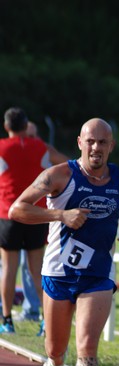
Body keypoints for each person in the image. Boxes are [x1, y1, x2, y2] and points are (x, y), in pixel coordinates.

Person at [9, 117, 119, 366]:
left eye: (103, 142)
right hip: (58, 274)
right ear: (80, 142)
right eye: (91, 142)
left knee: (87, 347)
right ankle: (53, 361)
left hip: (97, 276)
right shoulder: (59, 176)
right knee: (56, 347)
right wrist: (60, 216)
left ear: (112, 146)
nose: (96, 148)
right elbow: (17, 209)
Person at [0, 107, 50, 334]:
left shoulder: (2, 148)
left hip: (8, 214)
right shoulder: (40, 146)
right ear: (26, 125)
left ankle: (7, 320)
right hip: (35, 214)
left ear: (6, 126)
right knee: (37, 270)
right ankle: (45, 320)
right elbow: (64, 164)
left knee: (9, 269)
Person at [16, 120, 69, 325]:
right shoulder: (15, 151)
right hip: (16, 213)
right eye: (26, 136)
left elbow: (70, 167)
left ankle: (42, 315)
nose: (28, 141)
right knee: (19, 267)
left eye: (32, 136)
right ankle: (29, 310)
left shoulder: (44, 150)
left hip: (39, 215)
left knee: (37, 267)